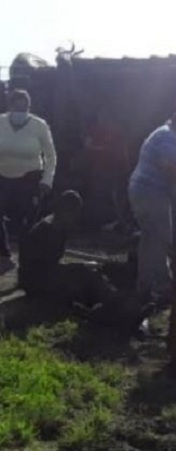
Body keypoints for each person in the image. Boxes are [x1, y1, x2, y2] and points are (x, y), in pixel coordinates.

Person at [18, 191, 145, 327]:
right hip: (35, 280)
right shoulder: (48, 229)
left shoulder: (58, 226)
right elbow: (41, 265)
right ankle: (114, 303)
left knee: (90, 275)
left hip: (42, 275)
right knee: (84, 275)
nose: (75, 217)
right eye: (74, 212)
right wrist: (75, 269)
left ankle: (112, 306)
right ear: (64, 210)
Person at [129, 108, 176, 302]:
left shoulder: (165, 135)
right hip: (151, 191)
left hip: (144, 190)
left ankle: (146, 284)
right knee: (160, 238)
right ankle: (160, 286)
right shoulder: (168, 136)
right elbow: (168, 165)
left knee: (150, 238)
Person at [0, 89, 57, 275]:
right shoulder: (0, 122)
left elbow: (50, 155)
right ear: (10, 106)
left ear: (28, 107)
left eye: (23, 106)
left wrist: (47, 180)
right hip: (3, 175)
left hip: (29, 177)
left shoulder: (39, 125)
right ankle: (3, 253)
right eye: (16, 106)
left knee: (27, 221)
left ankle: (29, 260)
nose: (19, 110)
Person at [81, 108, 130, 231]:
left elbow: (115, 151)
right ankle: (98, 223)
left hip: (115, 169)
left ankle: (119, 223)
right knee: (101, 195)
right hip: (102, 168)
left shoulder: (115, 132)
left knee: (115, 197)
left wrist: (95, 148)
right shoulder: (97, 131)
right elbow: (90, 147)